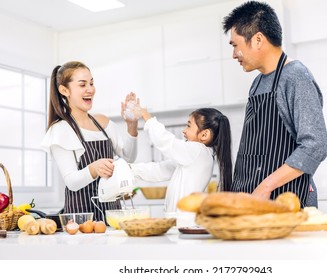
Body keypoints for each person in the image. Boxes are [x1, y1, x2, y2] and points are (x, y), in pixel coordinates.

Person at [222, 1, 327, 208]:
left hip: (286, 202)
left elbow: (316, 146)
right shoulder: (257, 82)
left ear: (258, 39)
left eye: (235, 45)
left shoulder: (295, 76)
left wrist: (265, 187)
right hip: (252, 203)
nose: (234, 54)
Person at [41, 61, 138, 222]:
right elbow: (71, 182)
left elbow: (129, 157)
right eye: (82, 84)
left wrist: (132, 125)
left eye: (91, 83)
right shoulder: (60, 130)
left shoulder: (103, 122)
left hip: (113, 215)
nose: (90, 89)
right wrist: (94, 168)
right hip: (82, 219)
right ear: (64, 90)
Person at [126, 103, 232, 213]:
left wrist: (146, 115)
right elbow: (161, 169)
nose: (184, 130)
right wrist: (130, 169)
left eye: (189, 126)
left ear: (204, 134)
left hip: (185, 222)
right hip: (182, 222)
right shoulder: (195, 157)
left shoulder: (198, 151)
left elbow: (165, 141)